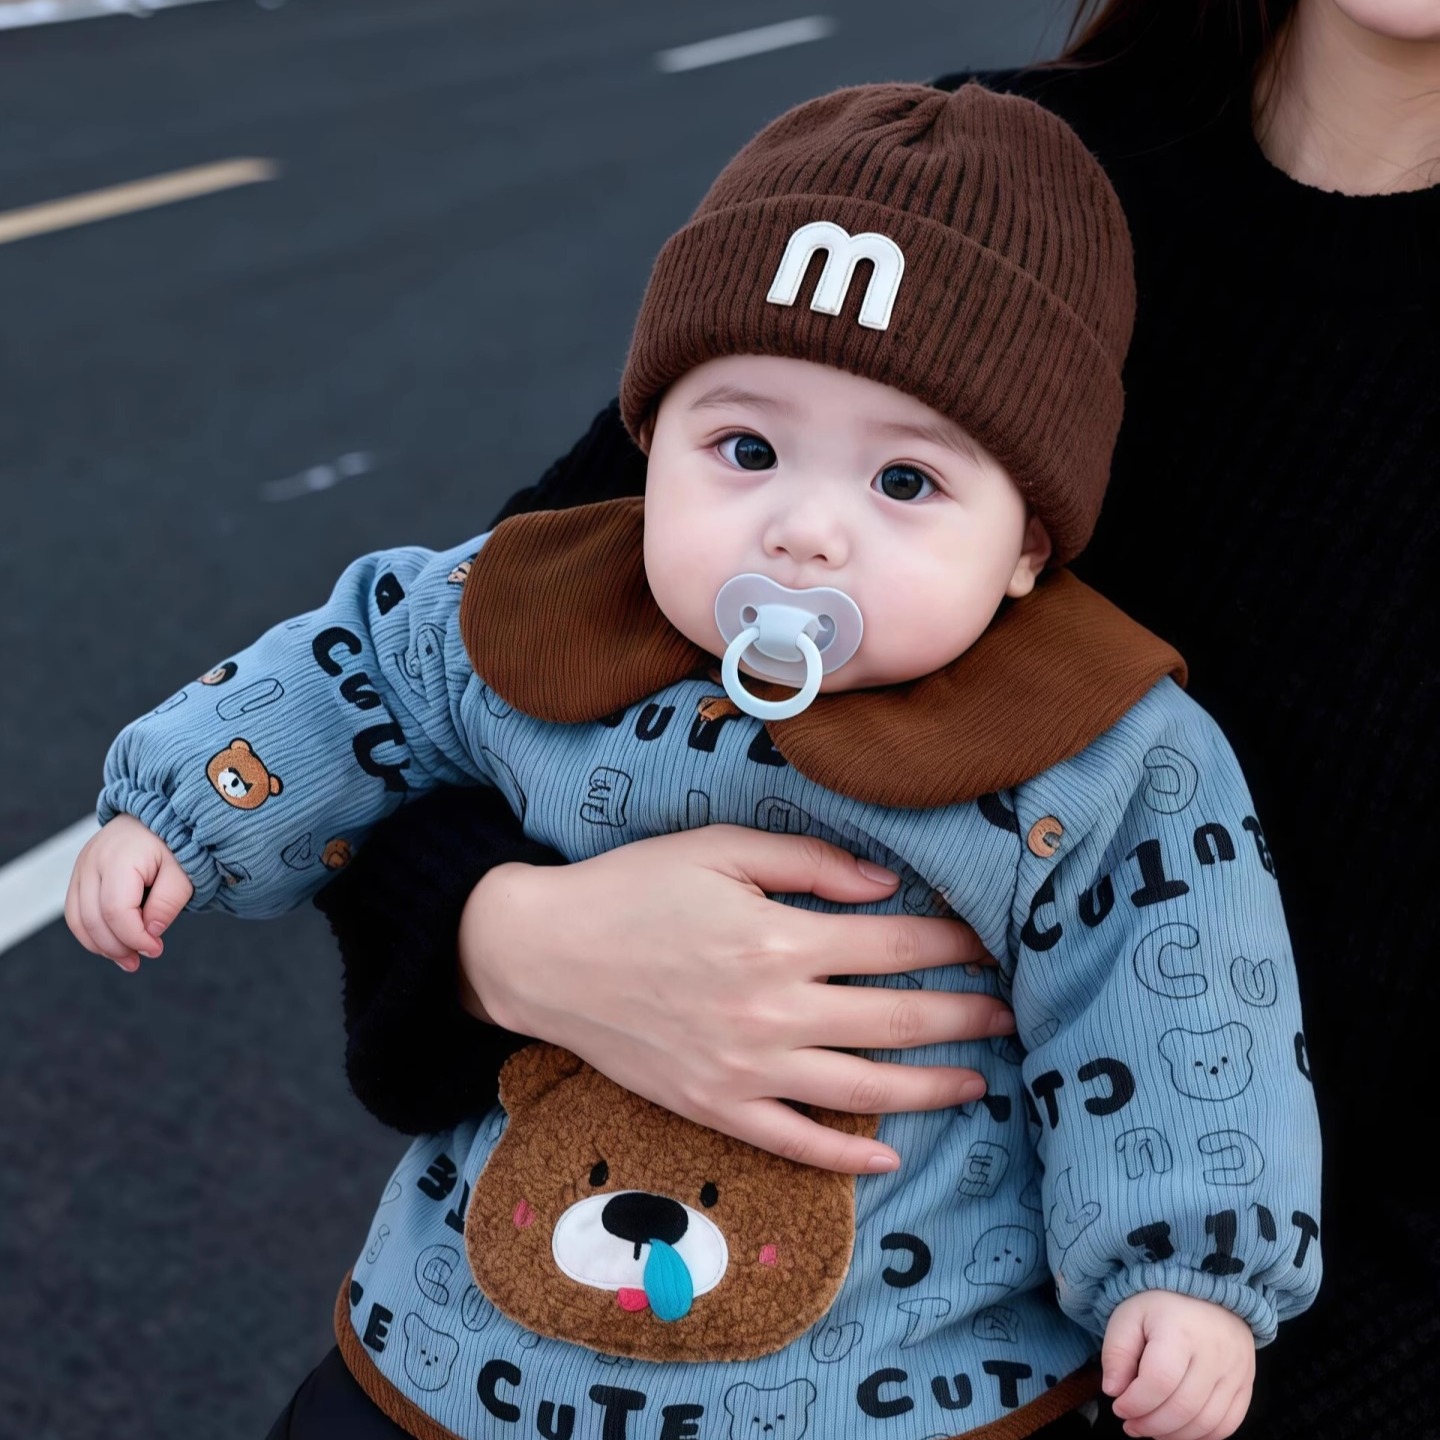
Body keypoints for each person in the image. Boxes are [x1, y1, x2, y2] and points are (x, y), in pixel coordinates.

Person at [67, 82, 1320, 1440]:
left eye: (905, 483)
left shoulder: (1097, 749)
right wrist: (180, 810)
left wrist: (1187, 1273)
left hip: (897, 1382)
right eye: (746, 448)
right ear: (651, 441)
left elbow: (1187, 1004)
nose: (804, 531)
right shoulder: (537, 606)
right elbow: (355, 666)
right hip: (463, 1358)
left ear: (1026, 546)